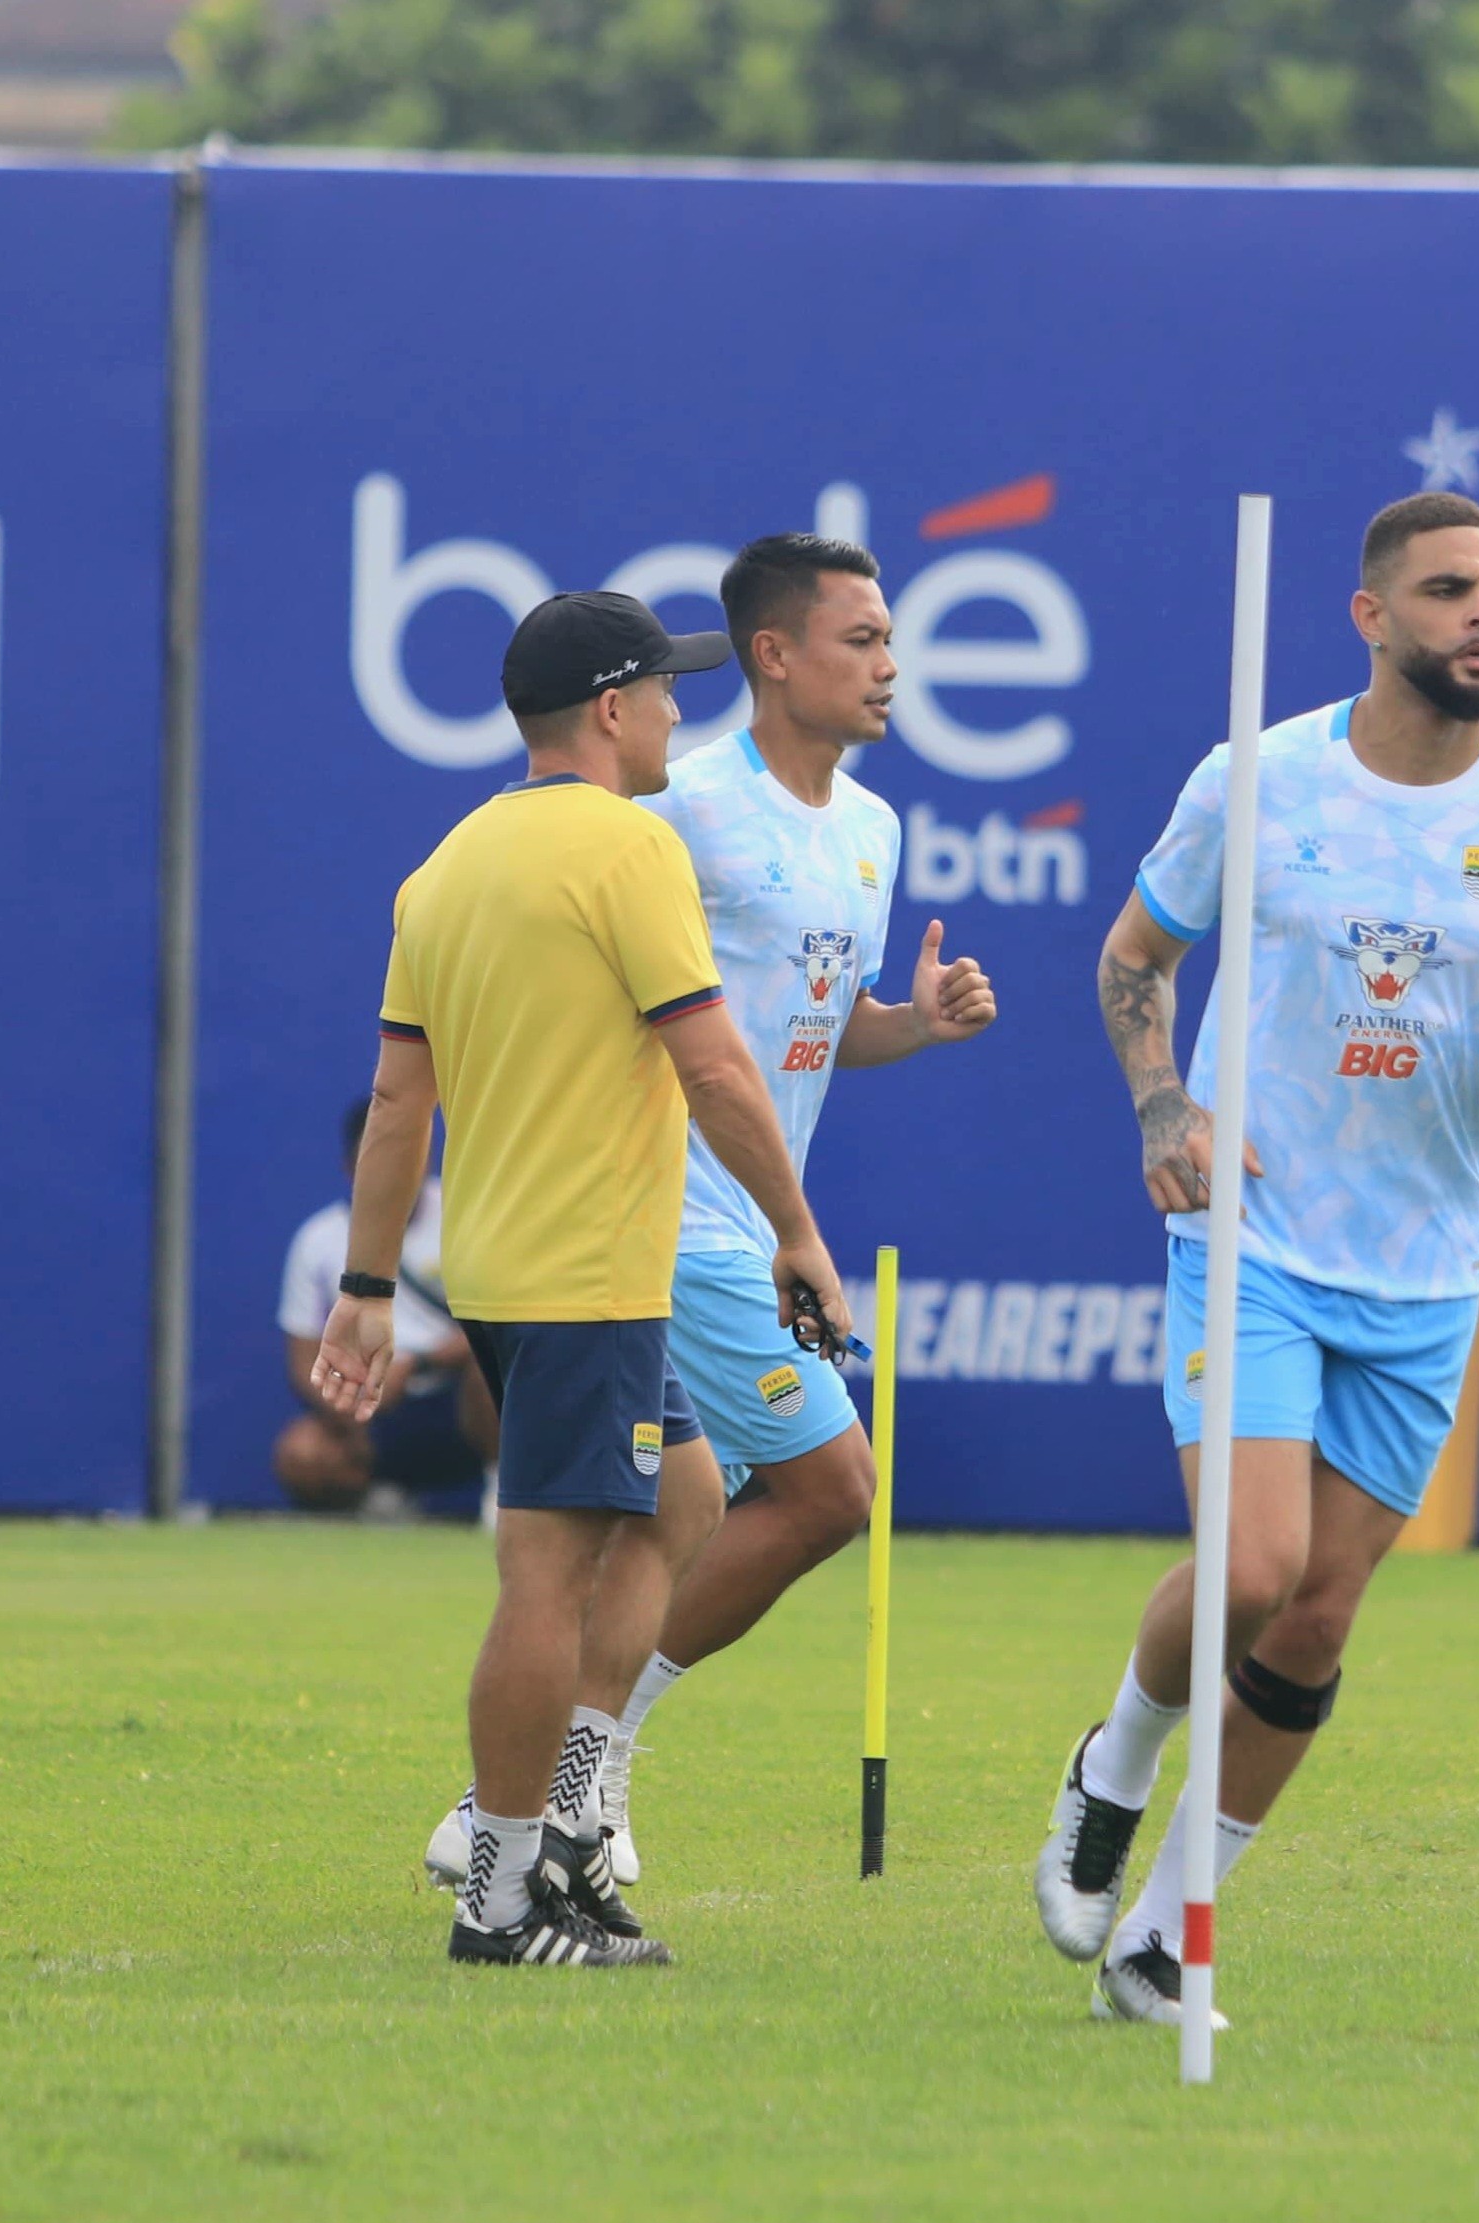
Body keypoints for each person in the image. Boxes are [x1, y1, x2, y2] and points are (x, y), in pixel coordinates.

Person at [1030, 490, 1479, 2025]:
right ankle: (1115, 1756)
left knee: (1318, 1611)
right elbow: (1131, 956)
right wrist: (1163, 1101)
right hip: (1256, 1228)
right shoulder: (1257, 777)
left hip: (1426, 1271)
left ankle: (1167, 1940)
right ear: (1373, 617)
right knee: (1251, 1567)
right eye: (1450, 591)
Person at [421, 533, 996, 1893]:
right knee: (829, 1486)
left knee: (677, 1509)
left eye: (892, 638)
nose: (890, 666)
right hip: (665, 1206)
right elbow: (659, 1012)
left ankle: (517, 1808)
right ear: (773, 655)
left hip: (750, 1211)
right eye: (859, 638)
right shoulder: (673, 807)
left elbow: (808, 1026)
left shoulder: (873, 827)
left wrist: (910, 1025)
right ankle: (583, 1771)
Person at [314, 588, 849, 1969]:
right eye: (666, 687)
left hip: (496, 1265)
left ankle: (567, 1813)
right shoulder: (628, 848)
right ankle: (498, 1893)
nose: (682, 708)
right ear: (611, 709)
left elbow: (394, 1099)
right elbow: (717, 1064)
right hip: (587, 1273)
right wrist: (798, 1230)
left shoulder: (446, 865)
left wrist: (370, 1281)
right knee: (547, 1575)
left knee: (686, 1495)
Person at [275, 1098, 496, 1514]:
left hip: (457, 1400)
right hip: (370, 1410)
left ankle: (500, 1491)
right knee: (302, 1453)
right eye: (377, 1161)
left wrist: (416, 1364)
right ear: (349, 1166)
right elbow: (303, 1361)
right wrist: (349, 1402)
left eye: (406, 1158)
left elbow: (498, 1324)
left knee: (493, 1369)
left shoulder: (464, 1216)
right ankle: (379, 1500)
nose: (393, 1176)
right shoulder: (318, 1240)